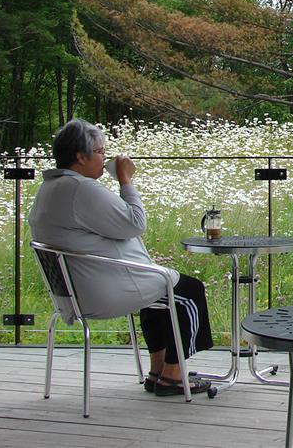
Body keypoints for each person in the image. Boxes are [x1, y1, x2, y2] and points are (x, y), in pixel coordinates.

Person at [28, 118, 213, 396]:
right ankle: (173, 377)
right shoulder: (81, 189)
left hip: (76, 292)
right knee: (189, 293)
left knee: (159, 296)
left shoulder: (52, 188)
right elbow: (135, 222)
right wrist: (125, 180)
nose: (105, 157)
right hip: (103, 290)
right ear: (81, 156)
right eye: (101, 152)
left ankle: (158, 371)